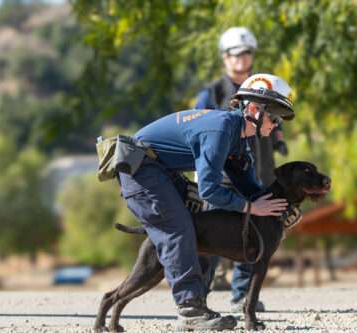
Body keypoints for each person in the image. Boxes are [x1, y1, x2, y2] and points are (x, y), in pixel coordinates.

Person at [118, 73, 295, 331]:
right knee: (178, 229)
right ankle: (190, 310)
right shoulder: (221, 128)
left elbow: (249, 187)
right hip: (140, 170)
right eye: (274, 117)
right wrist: (250, 207)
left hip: (161, 170)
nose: (276, 125)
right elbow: (210, 189)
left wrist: (279, 210)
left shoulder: (239, 137)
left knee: (195, 226)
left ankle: (197, 303)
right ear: (254, 110)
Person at [195, 27, 289, 312]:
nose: (241, 59)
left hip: (258, 172)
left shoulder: (263, 88)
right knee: (208, 240)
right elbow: (197, 127)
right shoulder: (212, 93)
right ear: (224, 57)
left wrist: (279, 142)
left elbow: (277, 122)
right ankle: (197, 300)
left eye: (246, 53)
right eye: (235, 54)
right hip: (220, 179)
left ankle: (242, 297)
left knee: (254, 237)